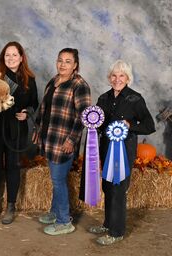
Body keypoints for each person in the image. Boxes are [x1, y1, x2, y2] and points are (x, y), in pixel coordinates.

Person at [87, 60, 155, 245]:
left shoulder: (136, 99)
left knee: (118, 190)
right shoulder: (103, 98)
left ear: (128, 78)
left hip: (123, 151)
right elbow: (99, 124)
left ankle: (116, 232)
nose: (117, 79)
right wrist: (93, 124)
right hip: (105, 149)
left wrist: (130, 125)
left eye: (121, 75)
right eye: (114, 75)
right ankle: (108, 224)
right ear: (110, 78)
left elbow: (149, 125)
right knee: (108, 188)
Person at [36, 48, 91, 235]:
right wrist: (37, 129)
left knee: (58, 180)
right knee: (56, 179)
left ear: (75, 65)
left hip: (63, 141)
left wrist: (71, 140)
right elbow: (44, 108)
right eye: (60, 60)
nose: (62, 64)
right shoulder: (54, 81)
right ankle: (54, 212)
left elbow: (84, 116)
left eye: (68, 61)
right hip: (49, 138)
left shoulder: (79, 85)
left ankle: (64, 221)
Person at [0, 41, 39, 224]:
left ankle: (11, 206)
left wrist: (27, 113)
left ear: (21, 58)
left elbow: (34, 103)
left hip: (17, 129)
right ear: (3, 58)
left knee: (13, 167)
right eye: (7, 55)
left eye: (14, 55)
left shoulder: (29, 79)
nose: (11, 58)